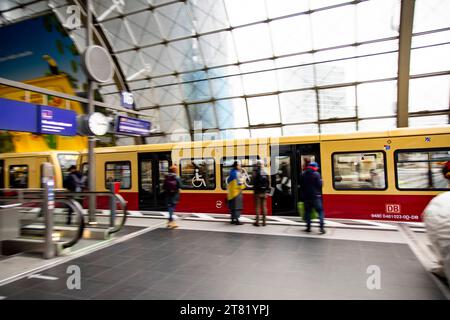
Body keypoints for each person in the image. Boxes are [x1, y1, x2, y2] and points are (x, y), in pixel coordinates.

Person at [299, 162, 325, 234]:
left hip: (306, 197)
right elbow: (319, 186)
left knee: (307, 212)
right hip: (316, 197)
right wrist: (322, 182)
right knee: (320, 211)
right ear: (314, 167)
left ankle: (308, 227)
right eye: (316, 167)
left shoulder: (303, 174)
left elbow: (301, 186)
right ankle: (321, 228)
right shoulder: (316, 174)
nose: (317, 169)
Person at [227, 161, 245, 225]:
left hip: (231, 193)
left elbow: (229, 181)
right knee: (237, 207)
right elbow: (239, 184)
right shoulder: (237, 173)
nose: (240, 166)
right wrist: (243, 181)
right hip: (236, 193)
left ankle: (232, 219)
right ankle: (237, 220)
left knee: (232, 207)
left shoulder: (231, 172)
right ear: (236, 166)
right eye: (239, 165)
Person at [253, 160, 269, 226]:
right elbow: (268, 182)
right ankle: (264, 222)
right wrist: (266, 191)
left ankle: (257, 222)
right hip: (264, 192)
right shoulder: (265, 172)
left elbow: (253, 182)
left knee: (257, 208)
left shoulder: (256, 173)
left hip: (257, 193)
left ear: (257, 165)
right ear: (262, 165)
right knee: (264, 207)